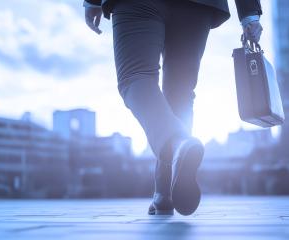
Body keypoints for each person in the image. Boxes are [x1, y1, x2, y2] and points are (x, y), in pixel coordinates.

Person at [83, 0, 263, 216]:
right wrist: (249, 14)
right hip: (198, 6)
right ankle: (164, 191)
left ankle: (177, 143)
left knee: (135, 77)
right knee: (180, 92)